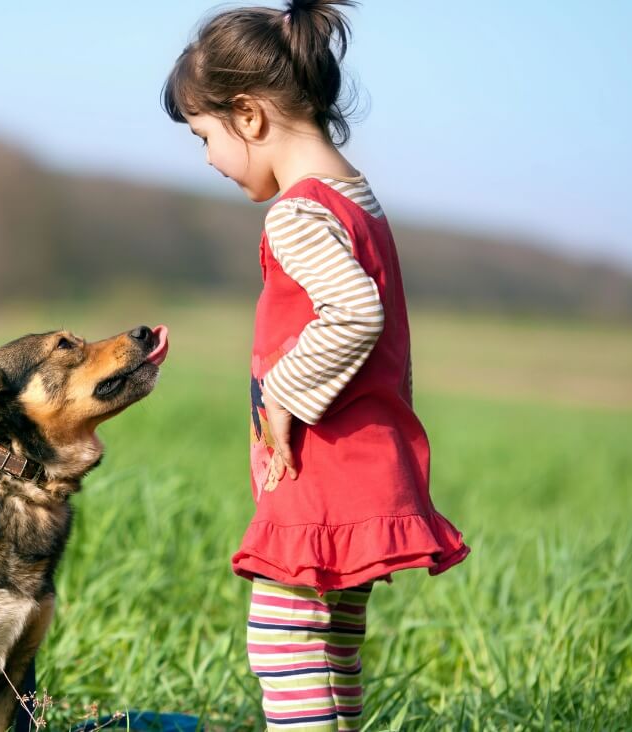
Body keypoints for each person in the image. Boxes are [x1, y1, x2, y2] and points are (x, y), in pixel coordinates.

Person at [162, 2, 469, 729]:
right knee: (330, 650)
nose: (209, 158)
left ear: (250, 115)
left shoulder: (297, 213)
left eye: (205, 135)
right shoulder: (357, 199)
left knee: (282, 645)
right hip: (365, 465)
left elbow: (355, 316)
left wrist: (285, 399)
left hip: (321, 474)